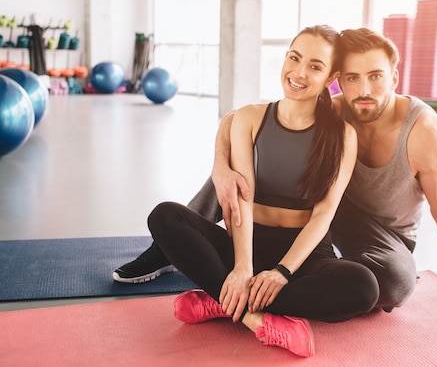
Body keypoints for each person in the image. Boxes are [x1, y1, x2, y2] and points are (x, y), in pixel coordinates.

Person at [115, 27, 437, 311]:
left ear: (394, 76)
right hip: (322, 209)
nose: (365, 90)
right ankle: (165, 251)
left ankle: (240, 294)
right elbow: (241, 119)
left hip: (373, 229)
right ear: (339, 82)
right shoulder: (336, 106)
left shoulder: (427, 133)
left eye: (375, 77)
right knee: (239, 171)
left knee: (389, 287)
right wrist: (221, 165)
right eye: (353, 79)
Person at [144, 25, 378, 358]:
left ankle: (222, 302)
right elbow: (243, 198)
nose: (299, 73)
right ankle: (254, 317)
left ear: (330, 78)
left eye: (315, 66)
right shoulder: (250, 118)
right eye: (294, 58)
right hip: (248, 242)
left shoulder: (343, 135)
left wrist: (283, 272)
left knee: (363, 286)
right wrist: (242, 268)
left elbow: (325, 212)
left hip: (305, 255)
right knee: (165, 216)